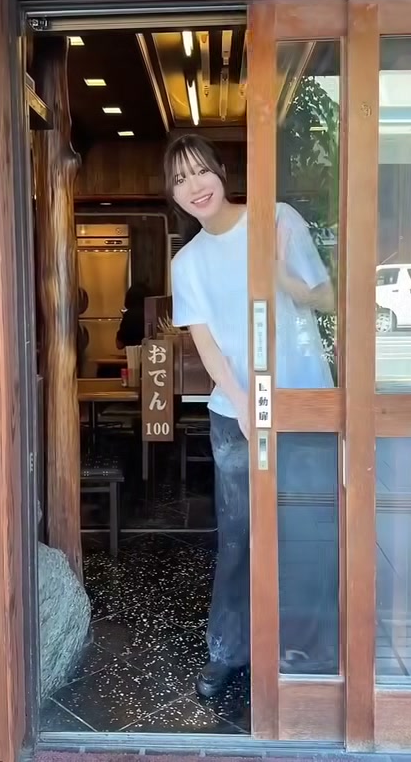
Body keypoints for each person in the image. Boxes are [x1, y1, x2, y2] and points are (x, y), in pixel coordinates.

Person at [165, 133, 335, 699]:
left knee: (308, 529)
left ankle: (310, 649)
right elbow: (206, 343)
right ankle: (228, 651)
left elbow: (327, 297)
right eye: (180, 179)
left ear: (221, 171)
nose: (194, 185)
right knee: (238, 536)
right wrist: (241, 402)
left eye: (200, 171)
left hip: (302, 401)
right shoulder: (186, 262)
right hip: (234, 412)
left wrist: (281, 275)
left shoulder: (276, 218)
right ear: (174, 195)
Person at [116, 282, 148, 350]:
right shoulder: (152, 314)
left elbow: (119, 345)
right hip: (151, 353)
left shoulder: (129, 316)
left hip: (132, 354)